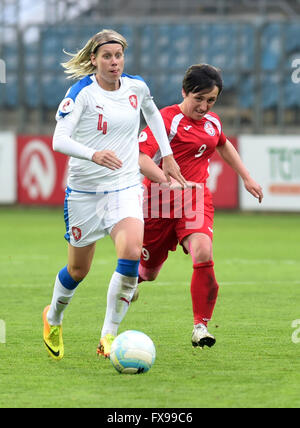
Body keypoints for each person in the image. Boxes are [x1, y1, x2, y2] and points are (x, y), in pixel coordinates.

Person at [42, 29, 187, 361]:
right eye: (107, 56)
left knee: (132, 251)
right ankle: (53, 318)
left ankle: (109, 336)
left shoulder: (136, 87)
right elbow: (58, 140)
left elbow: (151, 112)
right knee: (78, 270)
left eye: (118, 56)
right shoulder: (81, 94)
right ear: (94, 59)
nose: (114, 62)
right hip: (84, 193)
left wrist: (166, 153)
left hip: (124, 186)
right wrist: (94, 154)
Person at [137, 64, 263, 349]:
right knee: (149, 273)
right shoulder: (165, 120)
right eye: (199, 99)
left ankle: (200, 326)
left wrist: (246, 177)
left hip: (195, 200)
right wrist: (164, 180)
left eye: (211, 101)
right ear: (184, 91)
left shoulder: (212, 123)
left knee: (203, 251)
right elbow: (141, 157)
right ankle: (132, 283)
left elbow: (223, 144)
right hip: (158, 202)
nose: (205, 106)